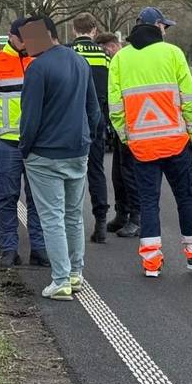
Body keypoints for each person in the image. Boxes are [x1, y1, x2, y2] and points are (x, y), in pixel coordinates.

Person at [108, 7, 192, 278]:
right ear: (156, 25)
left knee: (147, 202)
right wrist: (191, 131)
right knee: (185, 197)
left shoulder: (120, 59)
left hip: (141, 146)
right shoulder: (173, 54)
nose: (166, 30)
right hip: (176, 142)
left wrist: (126, 137)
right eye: (164, 26)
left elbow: (115, 107)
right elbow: (190, 97)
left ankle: (151, 263)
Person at [19, 15, 101, 301]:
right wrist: (87, 139)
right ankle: (76, 273)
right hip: (77, 150)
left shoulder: (37, 68)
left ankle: (61, 280)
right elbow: (94, 110)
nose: (25, 45)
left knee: (51, 217)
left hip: (45, 154)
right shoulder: (79, 61)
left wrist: (24, 149)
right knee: (73, 215)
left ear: (42, 36)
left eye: (27, 39)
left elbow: (30, 118)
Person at [0, 18, 49, 268]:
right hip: (6, 143)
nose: (30, 44)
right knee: (7, 199)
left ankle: (39, 250)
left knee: (38, 199)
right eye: (26, 39)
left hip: (36, 143)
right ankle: (9, 250)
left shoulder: (38, 61)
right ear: (13, 37)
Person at [69, 13, 111, 243]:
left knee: (69, 172)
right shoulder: (105, 57)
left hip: (71, 121)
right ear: (94, 31)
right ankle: (101, 222)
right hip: (97, 120)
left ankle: (71, 224)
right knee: (96, 171)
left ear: (74, 30)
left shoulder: (68, 53)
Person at [95, 32, 140, 237]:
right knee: (118, 175)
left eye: (104, 50)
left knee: (131, 175)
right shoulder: (115, 62)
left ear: (111, 46)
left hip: (131, 126)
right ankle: (122, 214)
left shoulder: (124, 61)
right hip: (119, 126)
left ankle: (137, 218)